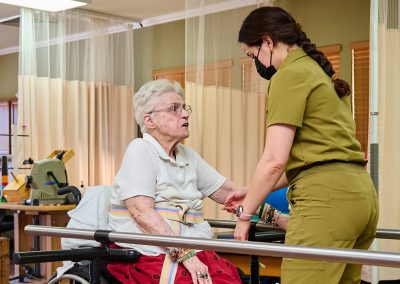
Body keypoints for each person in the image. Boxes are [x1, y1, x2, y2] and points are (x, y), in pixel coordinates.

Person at [225, 6, 379, 284]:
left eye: (253, 55)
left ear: (268, 42)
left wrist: (245, 215)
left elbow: (274, 160)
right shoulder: (319, 73)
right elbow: (310, 161)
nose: (256, 63)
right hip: (361, 197)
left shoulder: (288, 75)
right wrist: (252, 193)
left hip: (327, 203)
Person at [106, 79, 242, 284]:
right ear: (149, 120)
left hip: (190, 247)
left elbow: (229, 193)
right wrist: (186, 255)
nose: (185, 114)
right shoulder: (140, 150)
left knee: (231, 278)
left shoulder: (188, 155)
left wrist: (275, 216)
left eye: (184, 108)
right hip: (149, 252)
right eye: (174, 109)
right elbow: (141, 212)